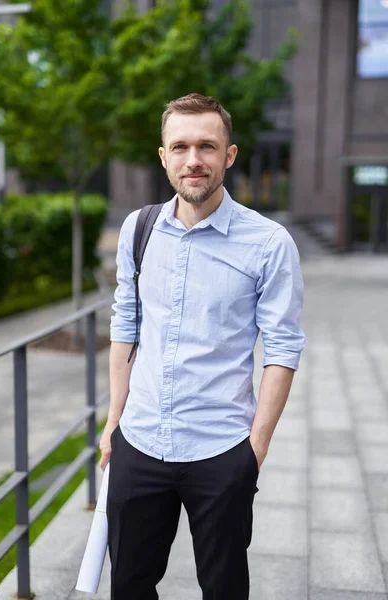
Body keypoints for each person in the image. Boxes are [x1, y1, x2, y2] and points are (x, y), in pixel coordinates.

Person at [100, 93, 305, 600]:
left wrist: (253, 452)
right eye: (182, 147)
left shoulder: (269, 242)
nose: (195, 160)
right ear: (164, 156)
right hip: (140, 441)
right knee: (128, 584)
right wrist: (112, 424)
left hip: (221, 449)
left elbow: (283, 348)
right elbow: (125, 324)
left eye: (207, 146)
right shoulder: (137, 228)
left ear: (229, 156)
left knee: (224, 587)